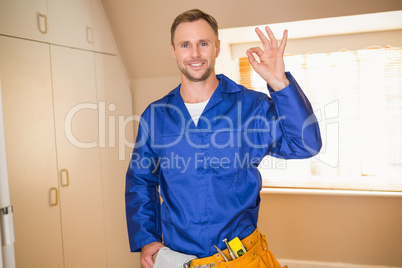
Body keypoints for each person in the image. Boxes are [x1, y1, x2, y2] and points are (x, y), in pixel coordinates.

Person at [126, 9, 321, 268]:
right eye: (185, 45)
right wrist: (147, 238)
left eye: (203, 43)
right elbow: (141, 181)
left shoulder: (251, 106)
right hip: (179, 260)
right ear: (174, 50)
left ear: (217, 48)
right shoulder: (156, 115)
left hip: (243, 258)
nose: (194, 54)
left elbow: (305, 144)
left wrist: (279, 83)